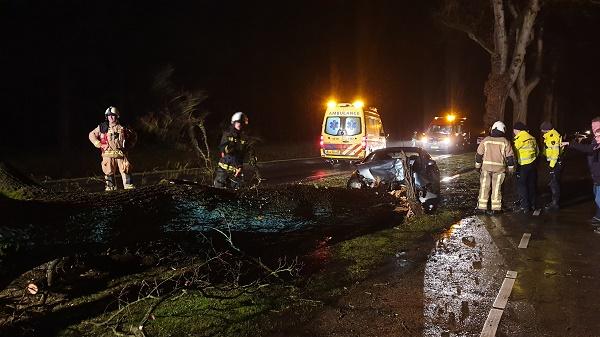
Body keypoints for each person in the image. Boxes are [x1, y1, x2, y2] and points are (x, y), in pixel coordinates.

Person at [562, 117, 600, 232]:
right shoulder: (595, 139)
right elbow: (589, 149)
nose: (594, 130)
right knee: (597, 198)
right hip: (596, 175)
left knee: (599, 200)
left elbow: (590, 150)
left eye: (597, 127)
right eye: (593, 127)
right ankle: (598, 217)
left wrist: (570, 143)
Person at [88, 106, 136, 191]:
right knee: (108, 171)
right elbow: (91, 135)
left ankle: (129, 188)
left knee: (126, 169)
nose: (111, 117)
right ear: (106, 116)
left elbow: (134, 136)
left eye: (113, 115)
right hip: (108, 154)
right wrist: (99, 144)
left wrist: (129, 146)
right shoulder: (102, 127)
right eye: (109, 115)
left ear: (117, 116)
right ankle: (111, 188)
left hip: (121, 153)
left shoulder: (123, 126)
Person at [475, 121, 516, 215]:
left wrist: (477, 167)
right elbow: (510, 158)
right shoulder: (505, 141)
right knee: (496, 188)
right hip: (499, 170)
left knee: (484, 187)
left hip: (486, 168)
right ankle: (496, 209)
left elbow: (478, 155)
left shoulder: (486, 140)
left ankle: (482, 207)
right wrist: (511, 170)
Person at [214, 112, 249, 188]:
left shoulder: (244, 138)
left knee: (238, 191)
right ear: (233, 123)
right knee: (219, 189)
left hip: (237, 170)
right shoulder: (227, 134)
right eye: (238, 122)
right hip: (224, 169)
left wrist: (239, 167)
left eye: (242, 123)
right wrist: (229, 149)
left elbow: (243, 154)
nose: (239, 124)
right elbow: (223, 150)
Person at [513, 122, 539, 213]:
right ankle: (532, 204)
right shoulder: (532, 138)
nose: (514, 132)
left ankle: (525, 206)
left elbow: (514, 153)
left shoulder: (519, 139)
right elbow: (537, 151)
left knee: (522, 185)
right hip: (533, 164)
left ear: (517, 130)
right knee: (531, 185)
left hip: (523, 165)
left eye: (514, 130)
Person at [540, 121, 563, 211]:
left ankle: (555, 203)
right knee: (553, 182)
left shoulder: (552, 136)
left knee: (554, 183)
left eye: (542, 130)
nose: (541, 131)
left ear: (545, 130)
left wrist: (552, 165)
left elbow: (555, 152)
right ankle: (554, 202)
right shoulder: (550, 135)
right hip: (553, 162)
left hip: (555, 163)